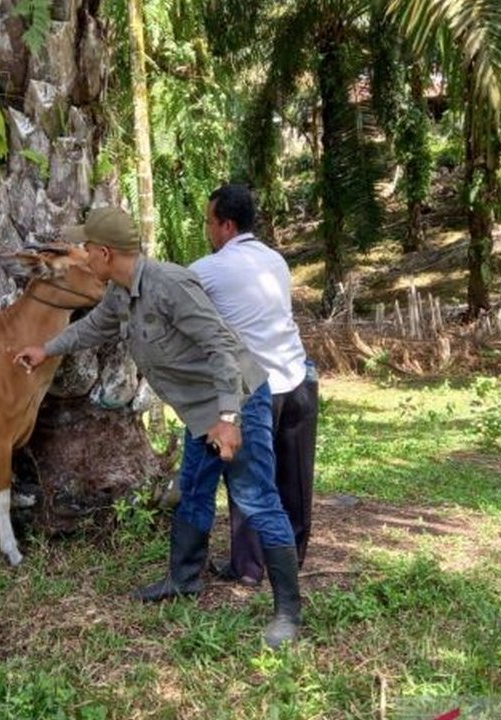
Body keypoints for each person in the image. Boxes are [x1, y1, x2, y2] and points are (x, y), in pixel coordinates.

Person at [14, 206, 302, 648]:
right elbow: (94, 328)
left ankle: (288, 613)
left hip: (236, 401)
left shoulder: (170, 285)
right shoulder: (121, 292)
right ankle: (184, 579)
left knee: (256, 499)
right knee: (194, 490)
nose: (83, 256)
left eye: (87, 248)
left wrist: (228, 419)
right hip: (199, 411)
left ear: (105, 253)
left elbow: (222, 348)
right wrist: (46, 349)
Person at [190, 184, 319, 586]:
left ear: (226, 225)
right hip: (297, 378)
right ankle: (291, 557)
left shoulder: (207, 269)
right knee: (295, 476)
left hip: (255, 388)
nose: (208, 230)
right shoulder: (275, 260)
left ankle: (248, 567)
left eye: (210, 222)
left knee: (249, 479)